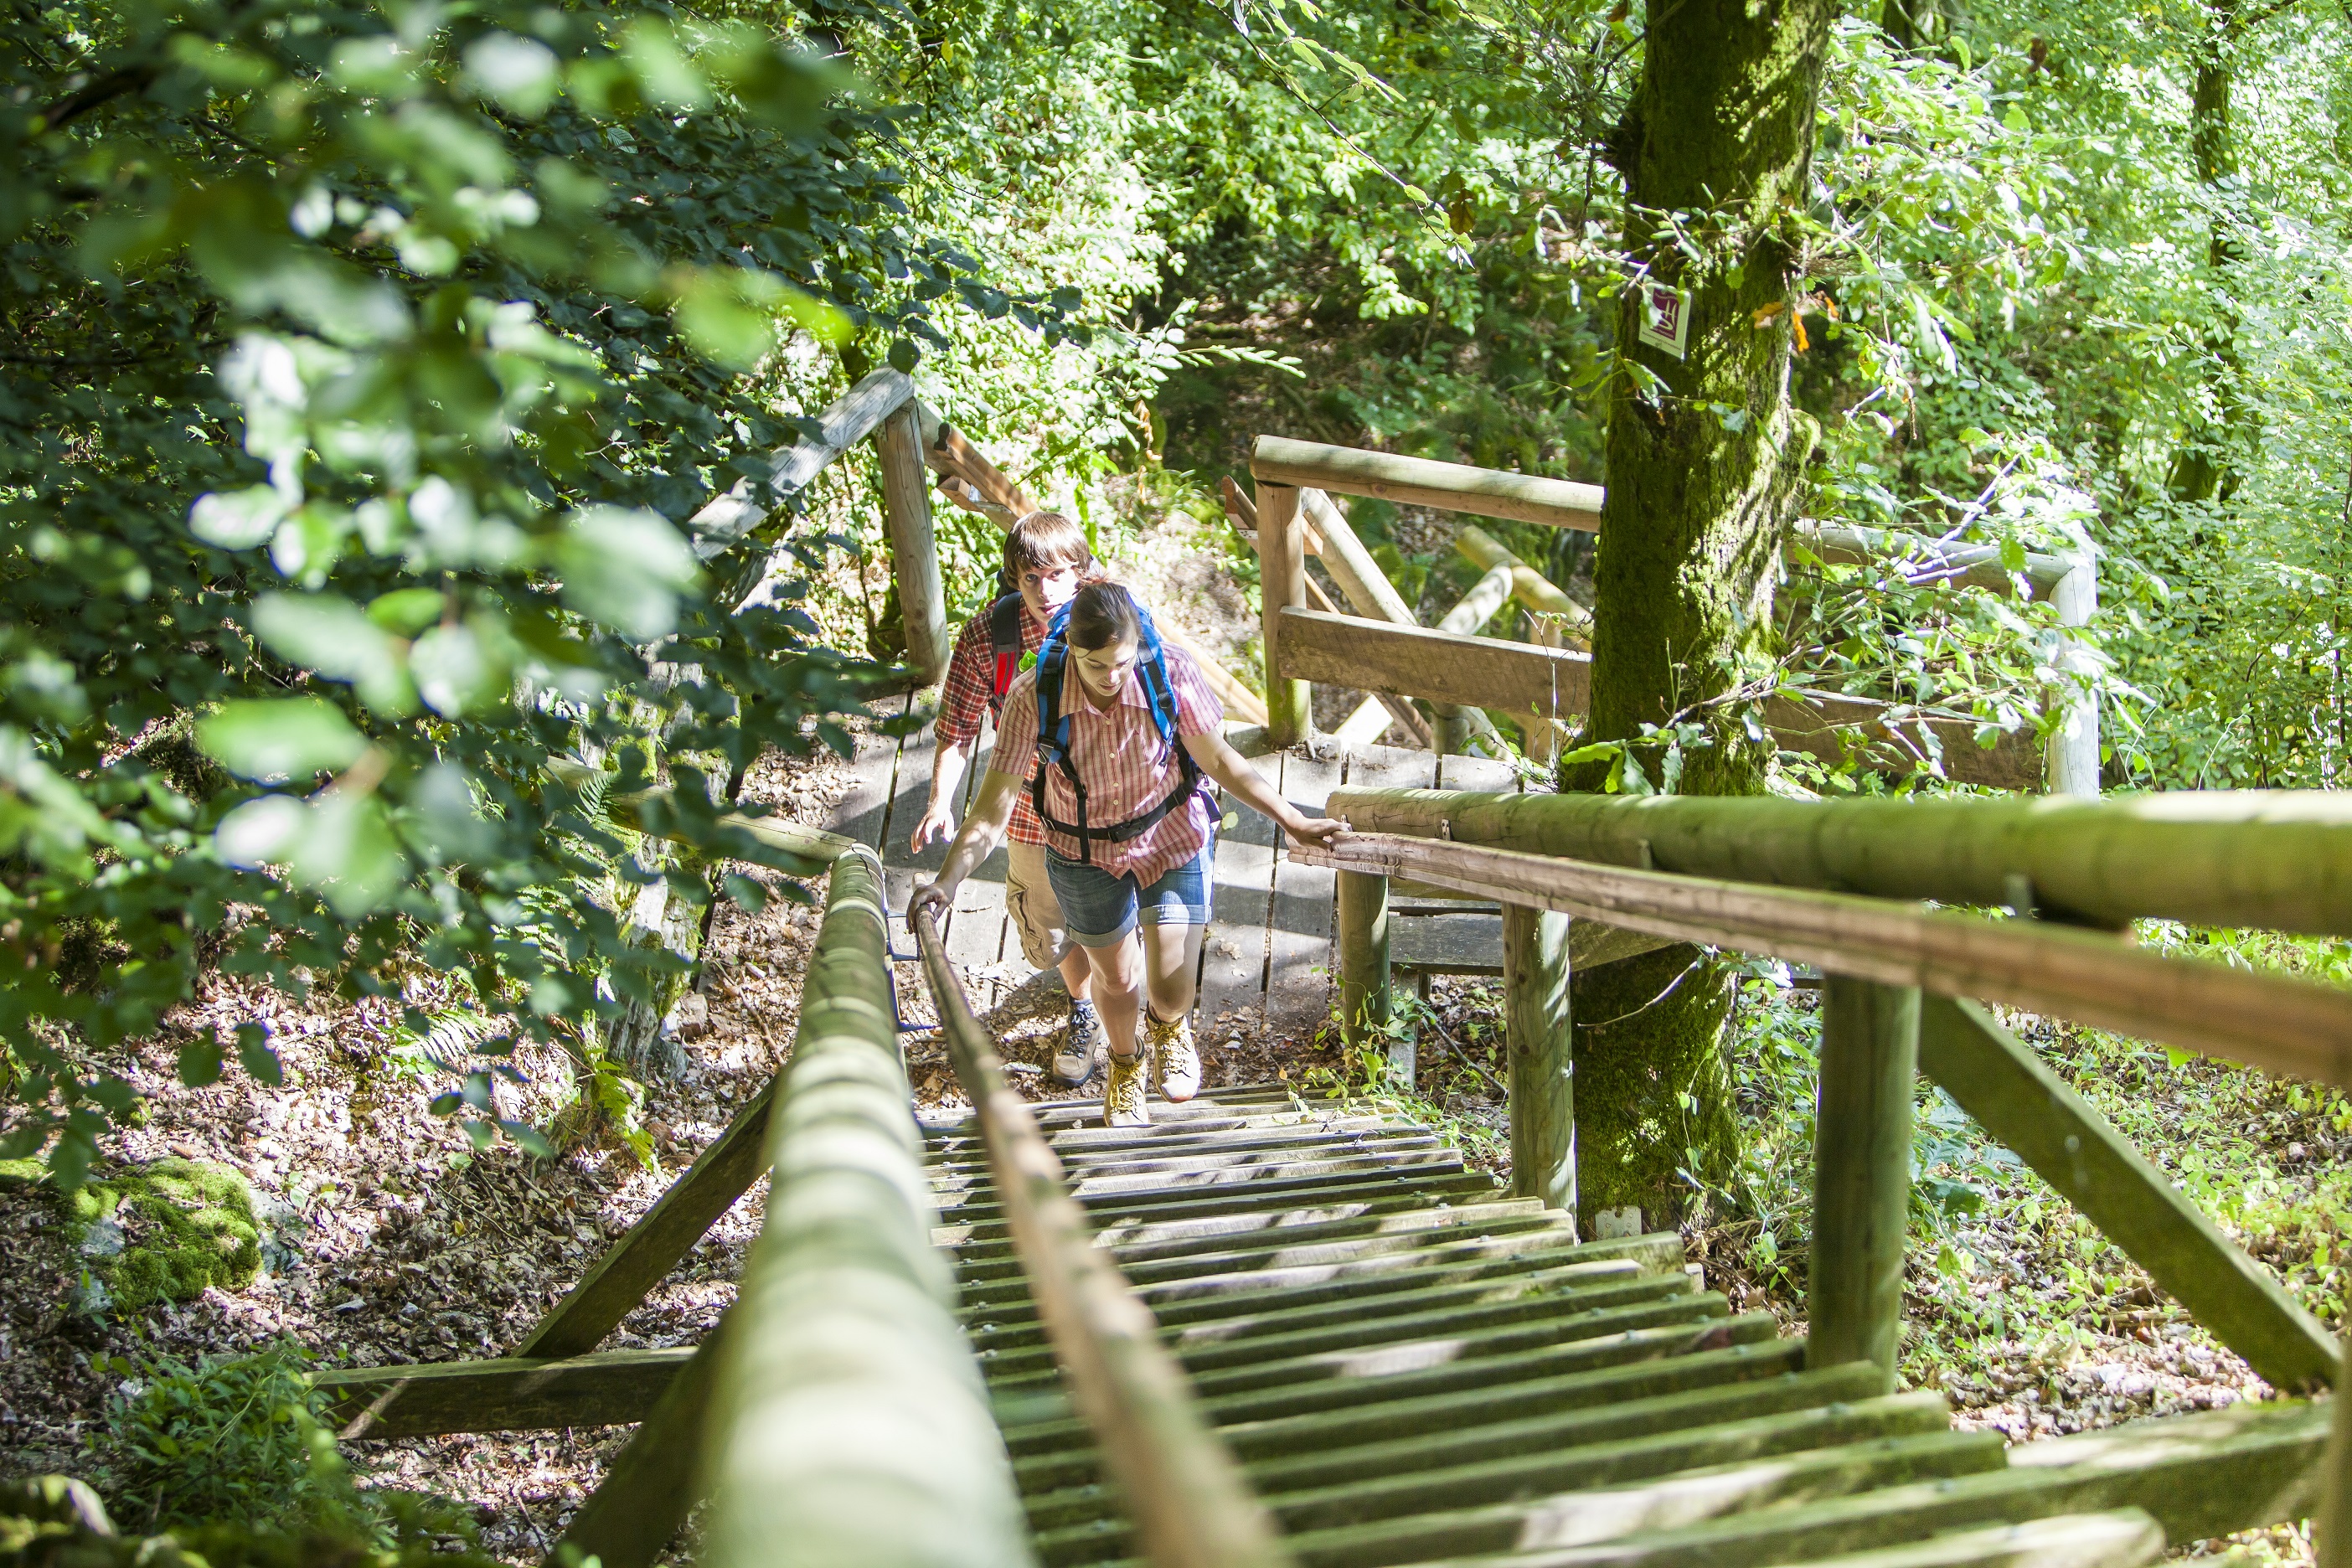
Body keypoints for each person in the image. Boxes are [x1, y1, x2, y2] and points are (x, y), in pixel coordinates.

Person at [910, 582, 1343, 1127]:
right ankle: (1124, 1062)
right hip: (1082, 851)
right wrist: (947, 883)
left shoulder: (1172, 673)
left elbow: (1224, 760)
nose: (1111, 679)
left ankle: (1168, 1027)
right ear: (1071, 646)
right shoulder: (1032, 696)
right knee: (1113, 980)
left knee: (1170, 983)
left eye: (1121, 662)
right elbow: (991, 810)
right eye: (1095, 666)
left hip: (1170, 837)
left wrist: (1294, 820)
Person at [910, 511, 1109, 1086]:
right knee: (1047, 930)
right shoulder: (986, 640)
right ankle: (1085, 1005)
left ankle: (1121, 1018)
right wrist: (939, 803)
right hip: (1029, 807)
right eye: (1030, 578)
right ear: (1014, 578)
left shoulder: (1113, 618)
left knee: (1118, 919)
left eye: (1057, 575)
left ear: (1081, 573)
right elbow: (958, 729)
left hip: (1111, 802)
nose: (1045, 591)